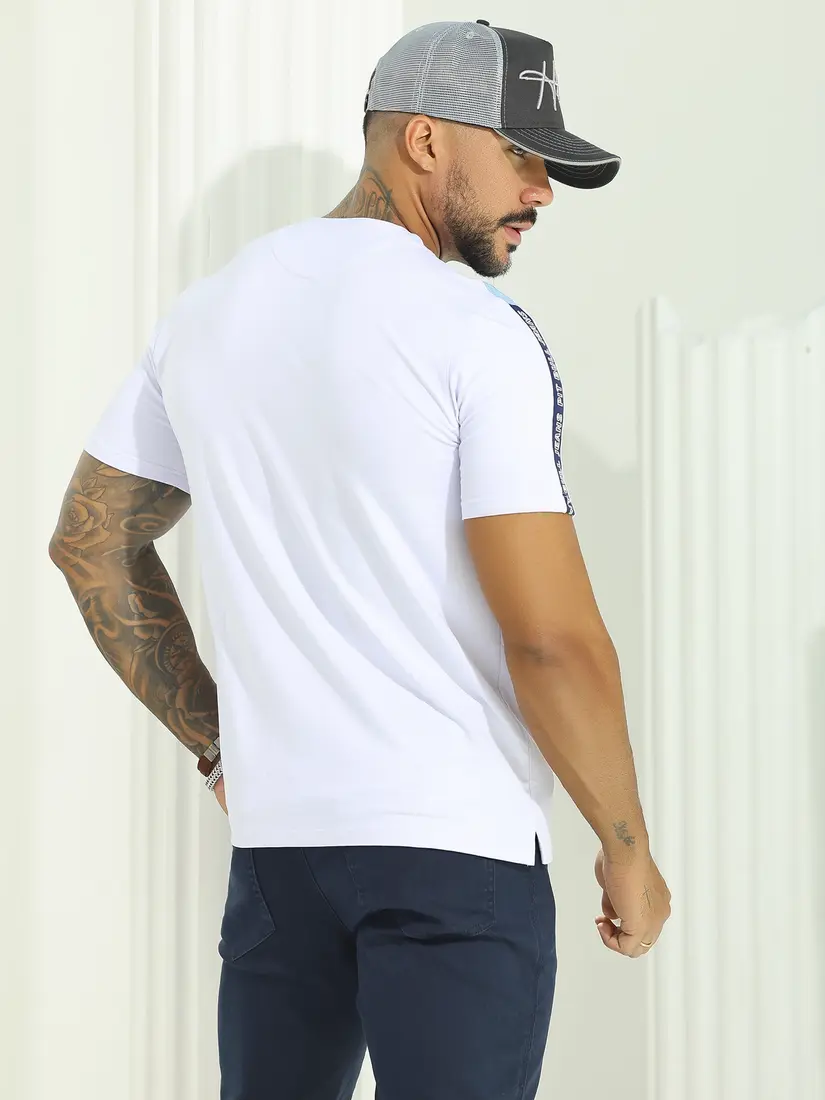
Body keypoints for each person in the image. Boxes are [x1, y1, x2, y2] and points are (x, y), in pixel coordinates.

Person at [48, 19, 670, 1100]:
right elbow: (552, 639)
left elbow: (90, 543)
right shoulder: (477, 332)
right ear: (424, 139)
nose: (541, 192)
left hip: (280, 859)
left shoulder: (208, 313)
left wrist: (220, 747)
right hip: (455, 856)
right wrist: (627, 846)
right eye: (520, 156)